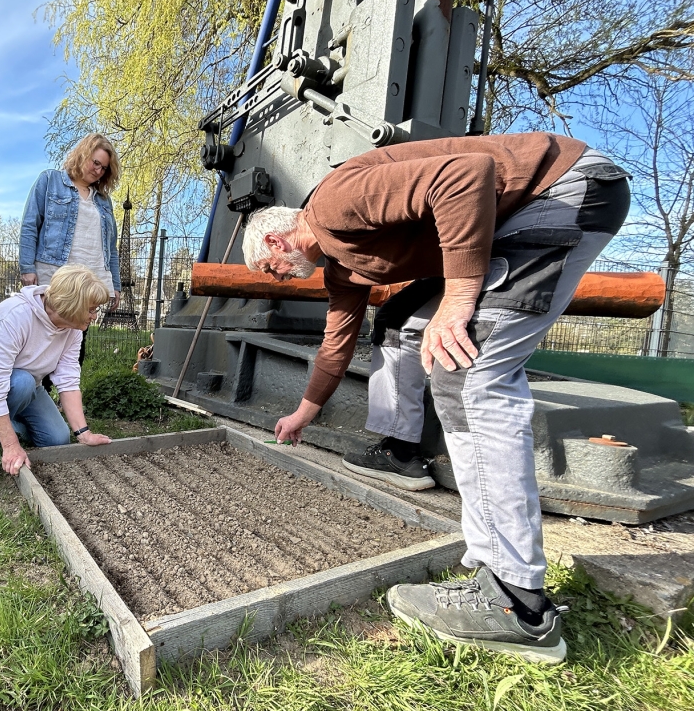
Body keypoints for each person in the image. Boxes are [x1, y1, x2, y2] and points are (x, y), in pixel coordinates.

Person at [241, 132, 630, 663]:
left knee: (466, 373)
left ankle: (517, 601)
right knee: (398, 324)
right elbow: (337, 341)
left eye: (271, 271)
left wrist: (461, 297)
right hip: (508, 218)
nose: (279, 279)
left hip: (558, 191)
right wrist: (304, 412)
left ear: (273, 243)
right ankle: (401, 452)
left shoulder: (333, 205)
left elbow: (464, 176)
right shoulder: (340, 265)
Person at [0, 265, 113, 476]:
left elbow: (68, 381)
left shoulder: (73, 330)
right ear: (72, 305)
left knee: (56, 440)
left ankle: (11, 423)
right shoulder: (14, 316)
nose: (94, 316)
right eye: (91, 309)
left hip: (28, 385)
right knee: (22, 382)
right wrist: (10, 446)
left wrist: (83, 433)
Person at [19, 133, 122, 313]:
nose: (98, 170)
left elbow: (111, 248)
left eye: (104, 168)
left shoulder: (104, 201)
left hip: (91, 279)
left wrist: (115, 284)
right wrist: (27, 267)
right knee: (47, 331)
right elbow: (30, 226)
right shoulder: (50, 180)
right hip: (54, 274)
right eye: (95, 162)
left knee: (78, 335)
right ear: (83, 154)